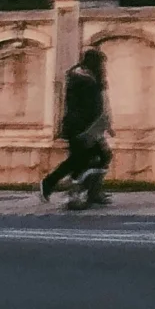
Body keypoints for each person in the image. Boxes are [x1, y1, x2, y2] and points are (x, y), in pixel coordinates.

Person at [40, 47, 112, 208]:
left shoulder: (89, 78)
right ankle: (70, 192)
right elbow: (82, 107)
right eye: (101, 63)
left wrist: (104, 123)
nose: (103, 67)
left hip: (90, 128)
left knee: (95, 158)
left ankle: (85, 191)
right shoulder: (81, 79)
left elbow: (99, 105)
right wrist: (86, 129)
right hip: (80, 128)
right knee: (81, 160)